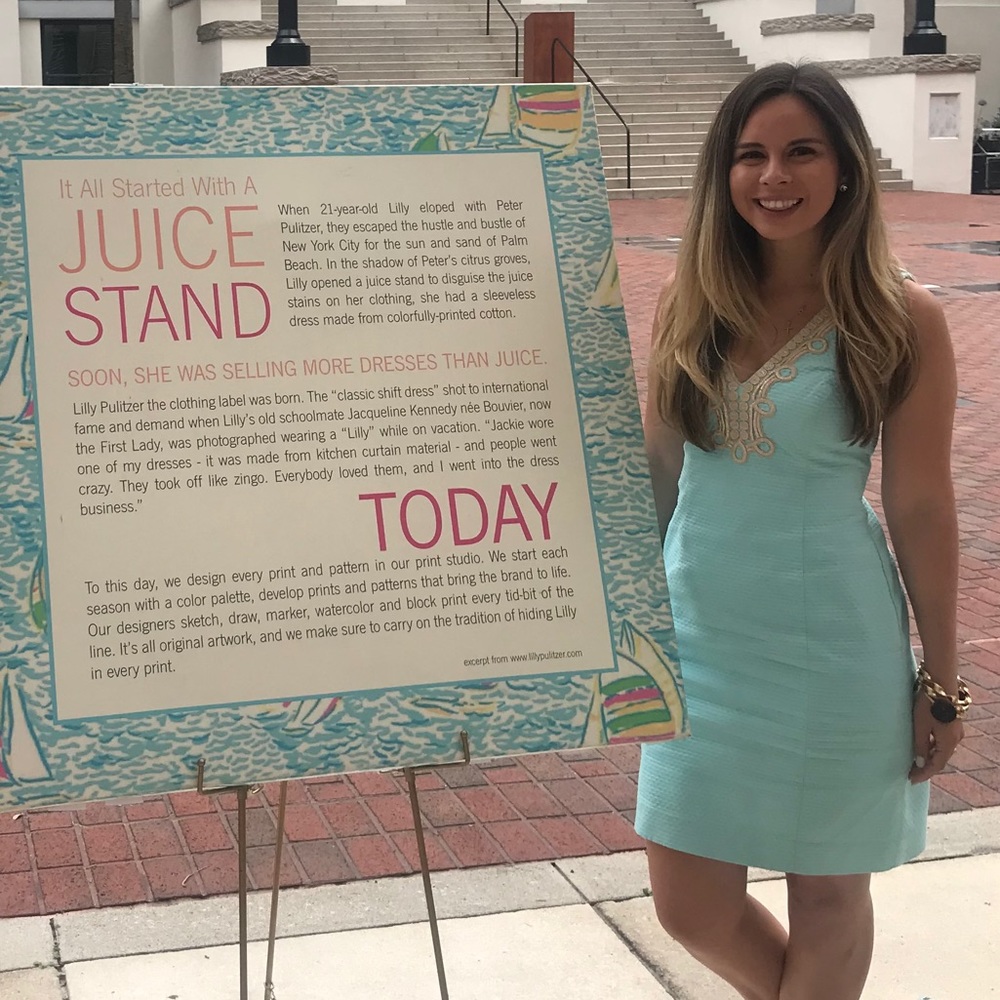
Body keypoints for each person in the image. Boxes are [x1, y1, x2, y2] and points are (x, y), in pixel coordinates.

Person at [635, 62, 968, 1000]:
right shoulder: (687, 304)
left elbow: (921, 506)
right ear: (723, 174)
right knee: (687, 904)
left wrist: (941, 681)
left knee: (830, 890)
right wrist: (628, 627)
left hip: (835, 644)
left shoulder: (903, 318)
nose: (773, 176)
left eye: (800, 152)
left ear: (848, 169)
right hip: (701, 641)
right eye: (750, 155)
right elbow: (659, 474)